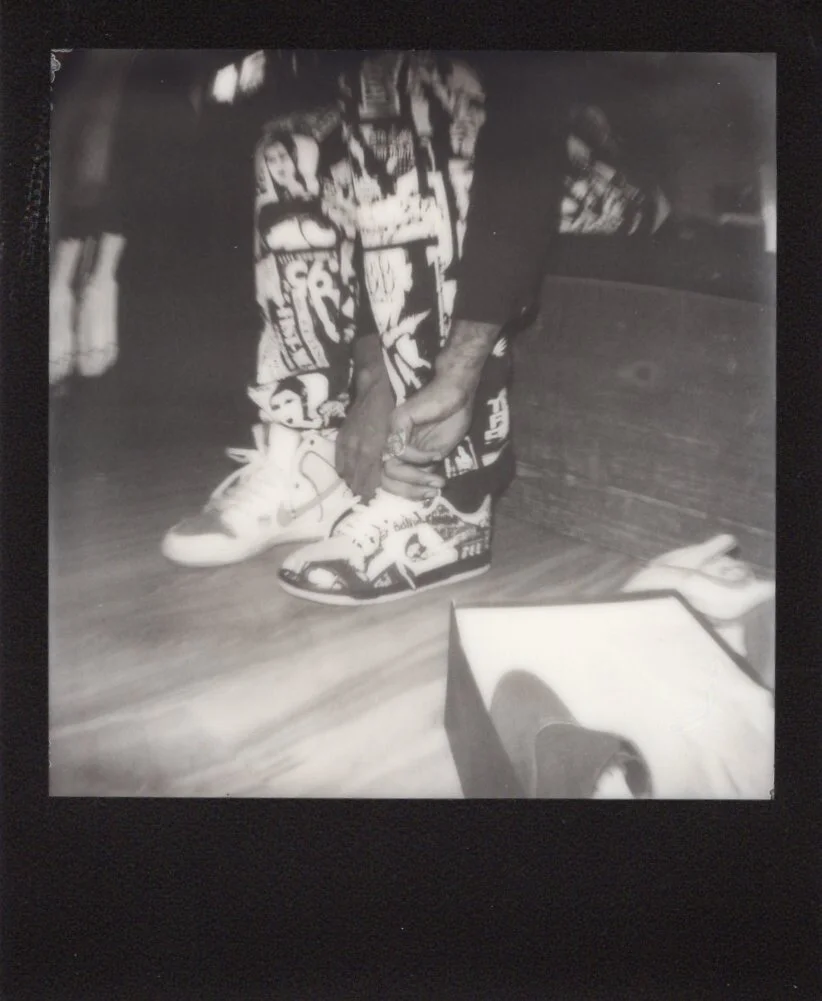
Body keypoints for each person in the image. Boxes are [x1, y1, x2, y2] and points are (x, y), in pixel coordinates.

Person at [52, 52, 664, 605]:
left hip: (595, 171)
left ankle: (451, 501)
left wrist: (457, 369)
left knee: (407, 86)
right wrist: (373, 373)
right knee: (297, 144)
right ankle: (307, 459)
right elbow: (374, 202)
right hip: (441, 153)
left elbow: (524, 137)